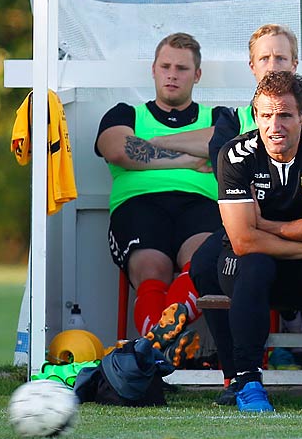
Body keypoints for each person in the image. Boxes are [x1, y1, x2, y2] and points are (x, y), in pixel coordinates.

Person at [188, 71, 302, 413]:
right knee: (253, 264)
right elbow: (242, 240)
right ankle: (247, 381)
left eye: (284, 115)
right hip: (252, 261)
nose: (275, 126)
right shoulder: (234, 154)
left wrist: (265, 223)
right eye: (266, 115)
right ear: (255, 117)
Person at [93, 32, 224, 340]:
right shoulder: (126, 113)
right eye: (165, 66)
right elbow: (118, 149)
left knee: (203, 262)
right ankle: (164, 343)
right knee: (152, 270)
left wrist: (156, 144)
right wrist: (188, 159)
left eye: (182, 69)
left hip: (199, 205)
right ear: (153, 69)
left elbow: (223, 141)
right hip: (139, 205)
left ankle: (156, 344)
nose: (172, 75)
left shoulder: (216, 116)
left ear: (197, 75)